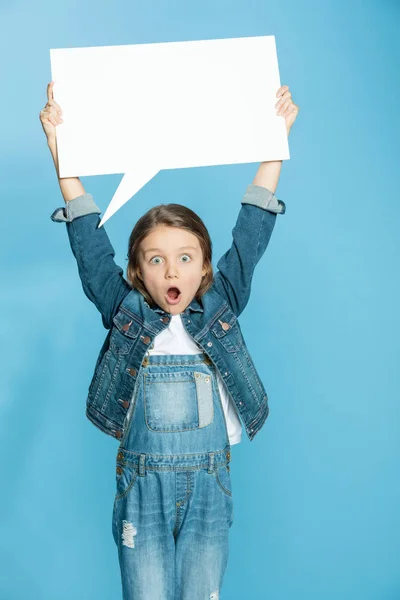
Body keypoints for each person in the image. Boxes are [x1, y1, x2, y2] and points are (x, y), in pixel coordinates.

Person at [40, 80, 299, 600]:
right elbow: (90, 247)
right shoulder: (124, 310)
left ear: (204, 266)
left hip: (210, 483)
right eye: (155, 259)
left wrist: (276, 143)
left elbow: (251, 233)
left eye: (185, 256)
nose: (170, 269)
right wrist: (61, 156)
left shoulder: (221, 300)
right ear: (137, 271)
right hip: (142, 489)